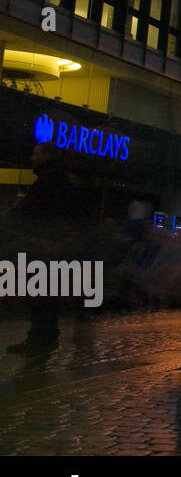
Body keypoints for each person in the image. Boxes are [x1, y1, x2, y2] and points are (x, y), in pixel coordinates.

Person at [3, 142, 81, 355]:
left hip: (43, 246)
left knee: (40, 296)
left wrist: (10, 219)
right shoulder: (61, 179)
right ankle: (43, 339)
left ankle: (39, 340)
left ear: (47, 155)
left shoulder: (47, 181)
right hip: (54, 247)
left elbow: (31, 210)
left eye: (36, 153)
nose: (32, 158)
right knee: (45, 296)